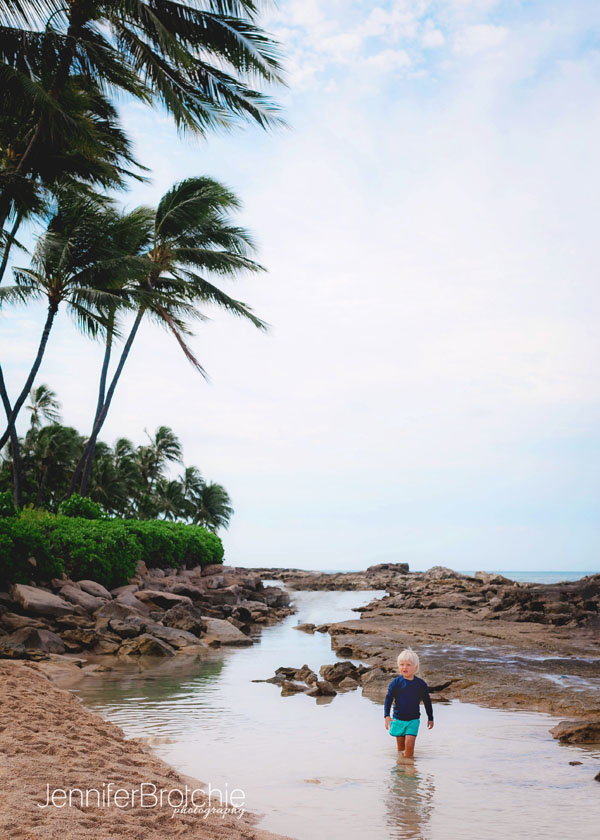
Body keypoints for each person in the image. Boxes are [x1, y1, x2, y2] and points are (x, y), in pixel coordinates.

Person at [384, 648, 434, 757]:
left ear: (415, 667)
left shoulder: (420, 684)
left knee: (409, 745)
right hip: (398, 719)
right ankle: (402, 765)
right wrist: (386, 715)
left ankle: (410, 765)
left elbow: (427, 701)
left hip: (413, 720)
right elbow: (388, 698)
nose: (404, 667)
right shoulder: (396, 683)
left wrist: (430, 718)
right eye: (402, 665)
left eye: (408, 665)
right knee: (401, 749)